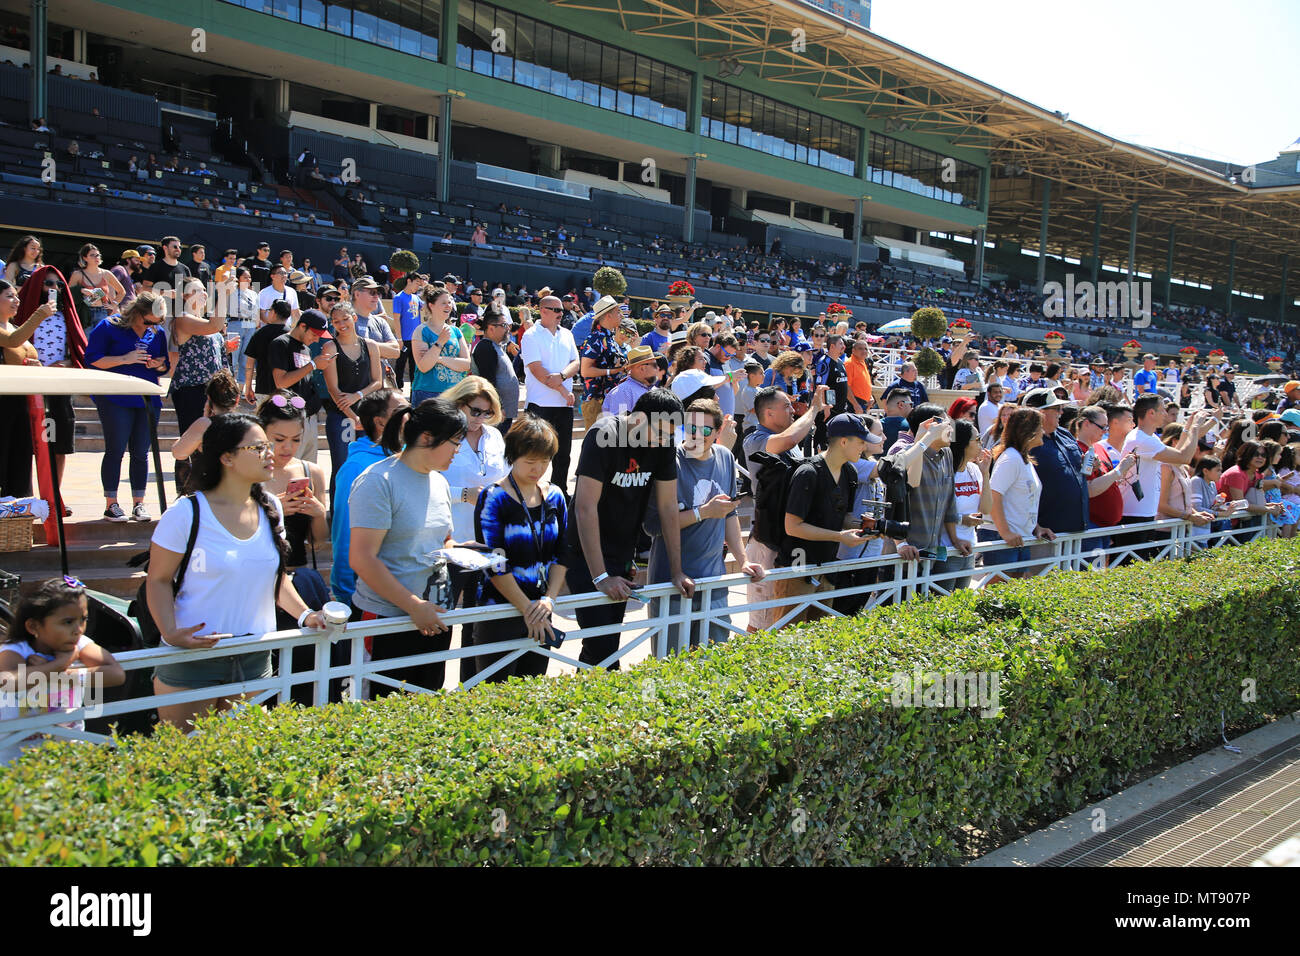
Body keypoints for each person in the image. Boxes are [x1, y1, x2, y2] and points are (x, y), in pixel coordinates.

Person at [147, 413, 327, 730]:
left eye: (267, 446)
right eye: (258, 448)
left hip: (255, 658)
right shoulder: (185, 513)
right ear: (226, 457)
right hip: (193, 657)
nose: (270, 454)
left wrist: (305, 615)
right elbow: (158, 579)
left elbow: (276, 578)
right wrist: (170, 632)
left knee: (241, 762)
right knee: (186, 764)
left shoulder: (269, 505)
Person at [566, 388, 692, 668]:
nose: (664, 440)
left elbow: (668, 507)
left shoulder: (663, 443)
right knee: (602, 648)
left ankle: (585, 701)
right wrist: (600, 576)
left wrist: (677, 570)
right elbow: (585, 508)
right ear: (637, 418)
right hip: (585, 553)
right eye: (659, 432)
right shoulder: (603, 435)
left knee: (606, 643)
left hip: (622, 553)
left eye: (669, 434)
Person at [349, 399, 466, 694]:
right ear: (427, 438)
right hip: (388, 619)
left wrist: (459, 550)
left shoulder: (438, 481)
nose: (458, 451)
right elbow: (362, 558)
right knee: (381, 716)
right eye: (454, 442)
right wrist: (413, 606)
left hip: (435, 616)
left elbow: (442, 539)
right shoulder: (378, 481)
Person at [644, 399, 761, 651]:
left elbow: (729, 515)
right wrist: (704, 512)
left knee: (712, 664)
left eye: (706, 430)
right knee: (671, 667)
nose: (698, 435)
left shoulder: (726, 457)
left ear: (719, 432)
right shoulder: (668, 461)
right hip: (671, 583)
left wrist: (743, 561)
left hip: (714, 583)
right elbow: (654, 526)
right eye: (691, 428)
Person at [469, 417, 569, 682]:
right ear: (513, 455)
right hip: (501, 611)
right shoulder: (493, 497)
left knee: (532, 696)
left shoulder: (556, 495)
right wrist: (527, 609)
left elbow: (563, 551)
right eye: (530, 461)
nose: (538, 469)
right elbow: (495, 562)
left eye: (545, 461)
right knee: (496, 698)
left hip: (541, 609)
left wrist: (549, 599)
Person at [0, 577, 125, 764]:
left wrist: (63, 675)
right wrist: (60, 664)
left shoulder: (79, 644)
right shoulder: (16, 650)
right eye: (67, 622)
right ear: (33, 626)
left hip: (67, 752)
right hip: (14, 757)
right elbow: (7, 681)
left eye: (83, 620)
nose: (78, 629)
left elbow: (116, 674)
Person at [742, 385, 826, 632]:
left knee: (785, 614)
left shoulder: (793, 442)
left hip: (791, 538)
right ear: (768, 413)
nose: (792, 409)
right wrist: (814, 409)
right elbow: (787, 439)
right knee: (762, 618)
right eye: (786, 406)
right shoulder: (754, 439)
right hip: (767, 540)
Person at [84, 292, 171, 521]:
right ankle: (111, 504)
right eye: (150, 320)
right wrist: (125, 358)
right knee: (116, 449)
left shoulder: (157, 331)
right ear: (138, 312)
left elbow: (165, 365)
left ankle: (139, 504)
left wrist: (157, 364)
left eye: (158, 321)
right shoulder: (108, 326)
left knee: (141, 453)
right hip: (115, 397)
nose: (154, 325)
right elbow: (92, 359)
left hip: (146, 398)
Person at [781, 413, 872, 622]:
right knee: (789, 632)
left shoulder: (850, 472)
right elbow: (792, 527)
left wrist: (865, 529)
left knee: (821, 632)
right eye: (860, 442)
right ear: (843, 441)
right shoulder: (808, 472)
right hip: (798, 562)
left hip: (829, 563)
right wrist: (840, 536)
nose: (863, 447)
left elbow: (844, 518)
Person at [329, 389, 401, 607]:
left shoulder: (408, 459)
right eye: (401, 411)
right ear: (380, 422)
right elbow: (344, 534)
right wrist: (346, 594)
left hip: (400, 590)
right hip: (364, 596)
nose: (410, 415)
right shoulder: (356, 468)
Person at [1116, 397, 1209, 560]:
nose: (1165, 414)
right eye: (1162, 410)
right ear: (1151, 413)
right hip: (1134, 514)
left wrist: (1188, 428)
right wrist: (1194, 428)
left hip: (1143, 513)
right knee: (1128, 569)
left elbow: (1175, 455)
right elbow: (1184, 457)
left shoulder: (1150, 438)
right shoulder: (1141, 439)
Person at [167, 279, 229, 483]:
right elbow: (214, 325)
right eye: (196, 290)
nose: (203, 293)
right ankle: (187, 493)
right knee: (193, 444)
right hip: (191, 390)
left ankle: (210, 491)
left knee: (215, 444)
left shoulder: (203, 320)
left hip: (214, 391)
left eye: (204, 290)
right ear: (184, 296)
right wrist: (223, 293)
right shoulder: (183, 319)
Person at [982, 408, 1056, 579]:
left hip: (1018, 536)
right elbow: (994, 495)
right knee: (997, 594)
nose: (1043, 432)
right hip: (1003, 536)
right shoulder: (1011, 458)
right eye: (1039, 428)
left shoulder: (1023, 459)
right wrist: (1005, 532)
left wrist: (1036, 527)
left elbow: (1024, 499)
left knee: (1012, 592)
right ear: (1028, 430)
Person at [321, 302, 381, 503]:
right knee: (341, 465)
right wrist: (353, 417)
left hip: (366, 415)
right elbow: (333, 390)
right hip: (342, 416)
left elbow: (377, 382)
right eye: (336, 321)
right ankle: (339, 515)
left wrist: (358, 395)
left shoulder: (370, 345)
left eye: (345, 319)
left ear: (354, 318)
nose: (341, 324)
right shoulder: (330, 347)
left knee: (367, 464)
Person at [521, 294, 579, 495]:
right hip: (539, 404)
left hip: (564, 405)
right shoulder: (530, 336)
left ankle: (560, 493)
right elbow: (537, 370)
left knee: (563, 455)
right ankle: (528, 492)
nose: (561, 314)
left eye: (562, 310)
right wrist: (563, 388)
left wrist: (562, 376)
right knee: (534, 453)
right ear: (543, 311)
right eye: (556, 310)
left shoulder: (567, 334)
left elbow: (576, 363)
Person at [269, 308, 334, 461]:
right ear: (302, 326)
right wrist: (312, 365)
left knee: (307, 471)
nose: (317, 340)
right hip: (290, 419)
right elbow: (281, 382)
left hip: (310, 417)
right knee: (291, 469)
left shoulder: (306, 348)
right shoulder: (280, 344)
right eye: (314, 334)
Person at [1023, 390, 1088, 538]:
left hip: (1077, 527)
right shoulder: (1024, 442)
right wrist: (1035, 525)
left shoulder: (1065, 434)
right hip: (1046, 532)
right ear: (1039, 413)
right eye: (1057, 409)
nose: (1062, 412)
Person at [938, 419, 992, 591]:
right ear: (962, 443)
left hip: (969, 546)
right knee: (941, 604)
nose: (981, 444)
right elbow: (939, 510)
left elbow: (985, 509)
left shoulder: (974, 470)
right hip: (946, 548)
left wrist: (985, 473)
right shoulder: (944, 470)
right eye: (977, 440)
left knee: (961, 604)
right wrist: (961, 521)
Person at [171, 369, 240, 495]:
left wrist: (204, 418)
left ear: (209, 399)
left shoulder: (204, 425)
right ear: (237, 399)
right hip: (239, 490)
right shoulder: (249, 425)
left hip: (210, 494)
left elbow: (179, 453)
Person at [410, 286, 469, 404]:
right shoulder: (421, 331)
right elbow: (424, 366)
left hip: (454, 393)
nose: (448, 306)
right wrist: (440, 342)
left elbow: (466, 364)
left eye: (449, 302)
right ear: (431, 305)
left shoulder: (456, 331)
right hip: (427, 394)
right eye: (443, 303)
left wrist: (439, 359)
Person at [577, 295, 628, 429]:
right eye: (618, 312)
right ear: (607, 316)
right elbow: (585, 370)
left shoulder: (608, 337)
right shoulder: (596, 338)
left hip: (609, 400)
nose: (621, 315)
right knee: (596, 446)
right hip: (597, 401)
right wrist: (612, 371)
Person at [469, 303, 520, 435]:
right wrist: (498, 407)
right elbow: (488, 382)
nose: (508, 329)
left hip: (502, 414)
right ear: (491, 328)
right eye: (504, 325)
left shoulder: (497, 346)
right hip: (495, 414)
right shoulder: (486, 348)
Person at [68, 243, 124, 327]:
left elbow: (122, 291)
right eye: (92, 255)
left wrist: (113, 304)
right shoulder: (78, 274)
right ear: (85, 258)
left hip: (102, 311)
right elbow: (68, 293)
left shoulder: (106, 274)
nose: (96, 257)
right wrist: (82, 290)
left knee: (100, 338)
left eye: (97, 255)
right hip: (85, 312)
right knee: (86, 338)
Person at [603, 345, 660, 416]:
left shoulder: (654, 389)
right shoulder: (623, 393)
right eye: (654, 365)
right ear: (643, 368)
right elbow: (621, 425)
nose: (658, 368)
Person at [391, 273, 422, 390]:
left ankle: (414, 387)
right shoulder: (399, 297)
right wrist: (399, 339)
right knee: (401, 363)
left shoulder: (416, 298)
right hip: (404, 338)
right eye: (416, 283)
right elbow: (396, 319)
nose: (418, 286)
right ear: (409, 281)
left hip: (416, 338)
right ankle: (398, 386)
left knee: (414, 365)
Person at [845, 338, 874, 412]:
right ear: (853, 350)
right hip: (855, 404)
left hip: (864, 404)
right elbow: (847, 387)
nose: (864, 351)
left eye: (865, 349)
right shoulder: (850, 364)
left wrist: (870, 397)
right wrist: (855, 404)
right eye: (860, 349)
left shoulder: (863, 362)